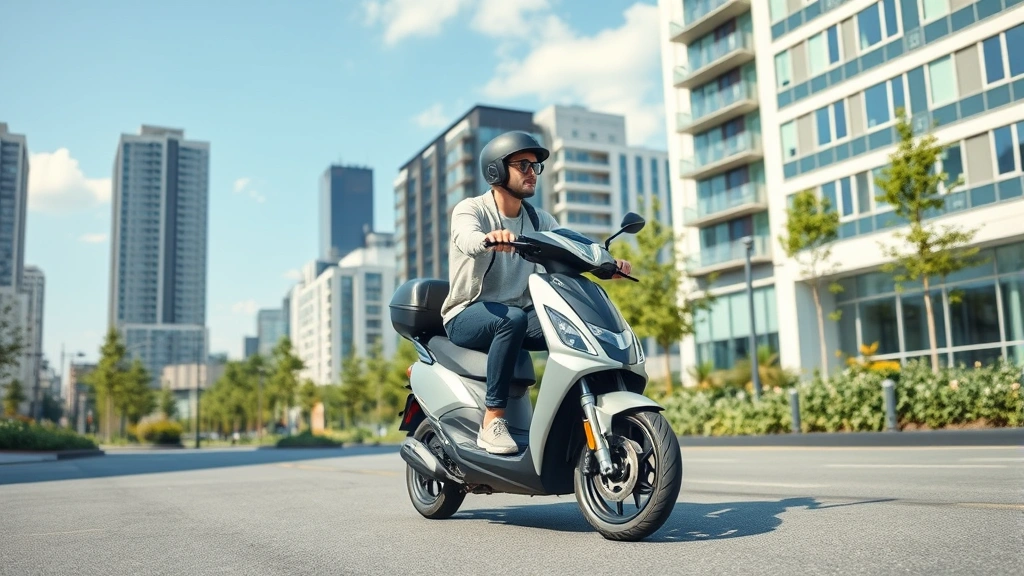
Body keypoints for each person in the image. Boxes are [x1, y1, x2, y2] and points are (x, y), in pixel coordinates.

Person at [439, 131, 632, 455]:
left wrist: (605, 263)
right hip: (467, 313)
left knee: (575, 327)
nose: (532, 172)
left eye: (535, 166)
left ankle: (586, 412)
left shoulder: (538, 219)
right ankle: (493, 421)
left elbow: (571, 244)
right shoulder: (471, 209)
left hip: (517, 315)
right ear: (496, 171)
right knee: (511, 320)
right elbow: (466, 237)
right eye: (523, 165)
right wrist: (488, 240)